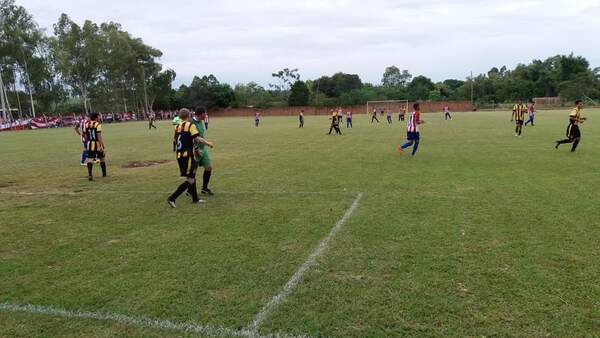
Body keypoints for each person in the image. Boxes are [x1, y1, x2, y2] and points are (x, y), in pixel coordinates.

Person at [167, 108, 214, 208]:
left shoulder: (177, 127)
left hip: (179, 155)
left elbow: (178, 140)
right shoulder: (190, 125)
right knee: (190, 180)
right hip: (187, 156)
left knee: (192, 177)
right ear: (188, 115)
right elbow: (196, 138)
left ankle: (195, 198)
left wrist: (195, 148)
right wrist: (208, 143)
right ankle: (172, 198)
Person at [191, 107, 215, 195]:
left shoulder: (200, 121)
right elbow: (195, 139)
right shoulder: (191, 122)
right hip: (195, 150)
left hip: (202, 149)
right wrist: (207, 143)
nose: (206, 115)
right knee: (193, 171)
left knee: (208, 167)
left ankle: (204, 188)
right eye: (205, 114)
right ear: (201, 114)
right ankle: (190, 190)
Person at [83, 112, 107, 181]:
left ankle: (90, 175)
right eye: (99, 116)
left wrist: (88, 141)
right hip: (97, 144)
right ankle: (104, 174)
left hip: (90, 144)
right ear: (96, 117)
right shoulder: (97, 124)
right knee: (102, 157)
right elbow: (99, 136)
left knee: (90, 159)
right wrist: (102, 146)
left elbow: (84, 134)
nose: (99, 117)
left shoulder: (86, 124)